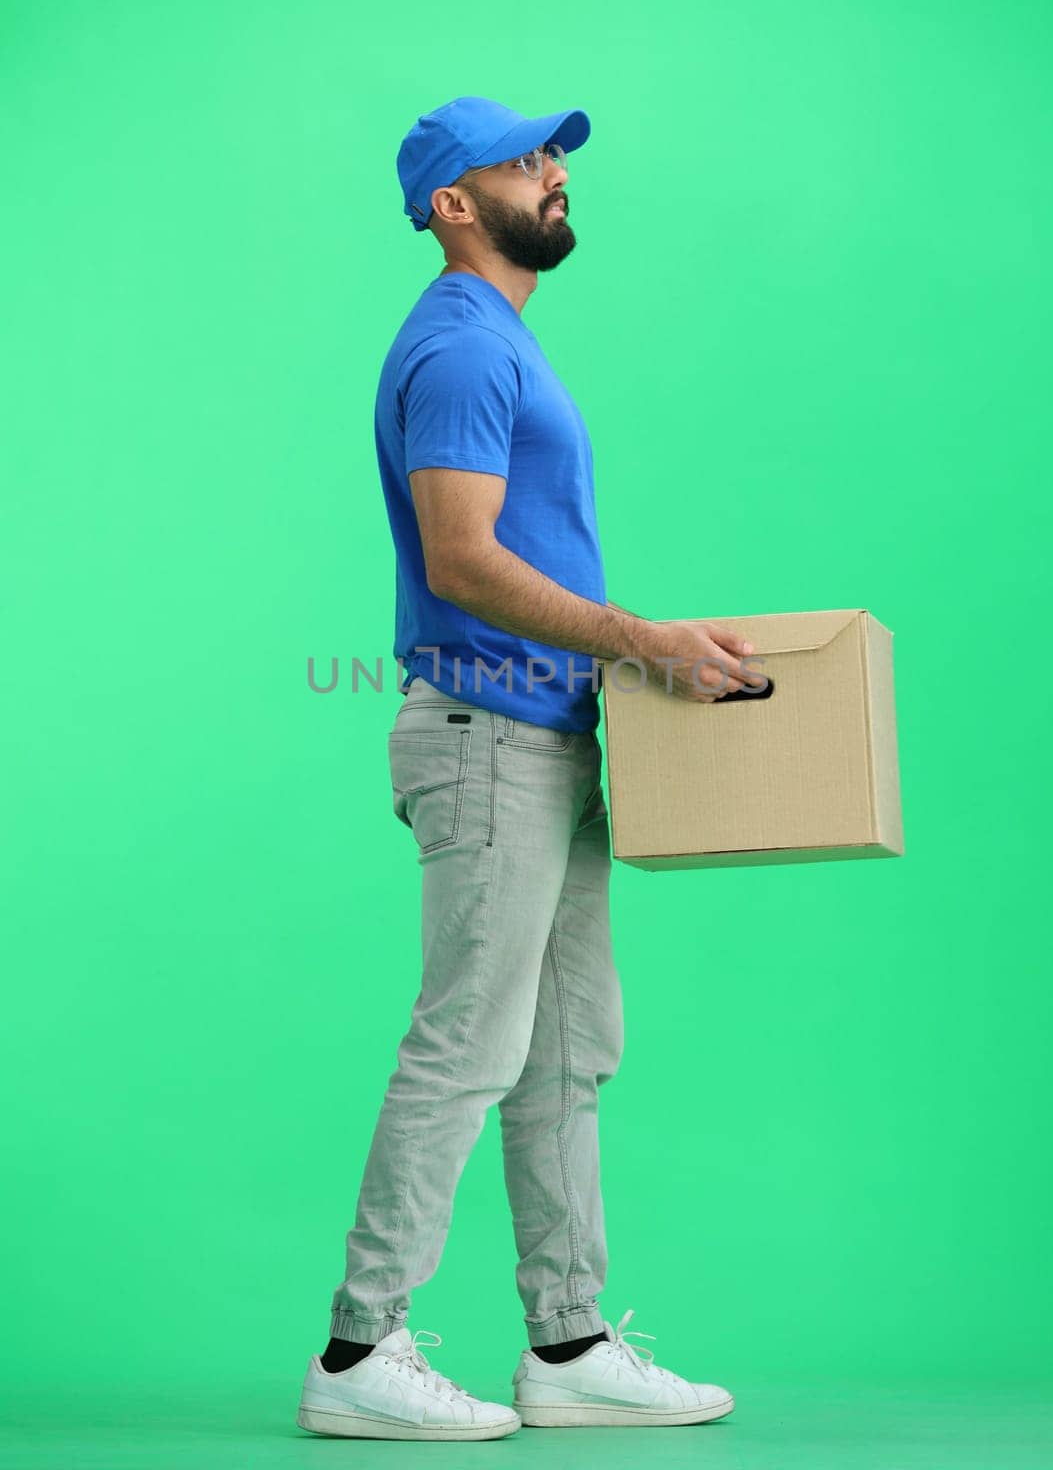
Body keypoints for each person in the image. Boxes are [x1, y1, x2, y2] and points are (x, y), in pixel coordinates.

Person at [296, 96, 757, 1442]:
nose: (553, 174)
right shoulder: (456, 346)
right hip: (485, 740)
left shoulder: (502, 342)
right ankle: (356, 1349)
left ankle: (566, 1341)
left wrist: (629, 664)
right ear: (452, 203)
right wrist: (640, 641)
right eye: (520, 160)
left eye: (555, 156)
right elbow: (462, 558)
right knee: (471, 1045)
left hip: (550, 734)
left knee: (565, 1052)